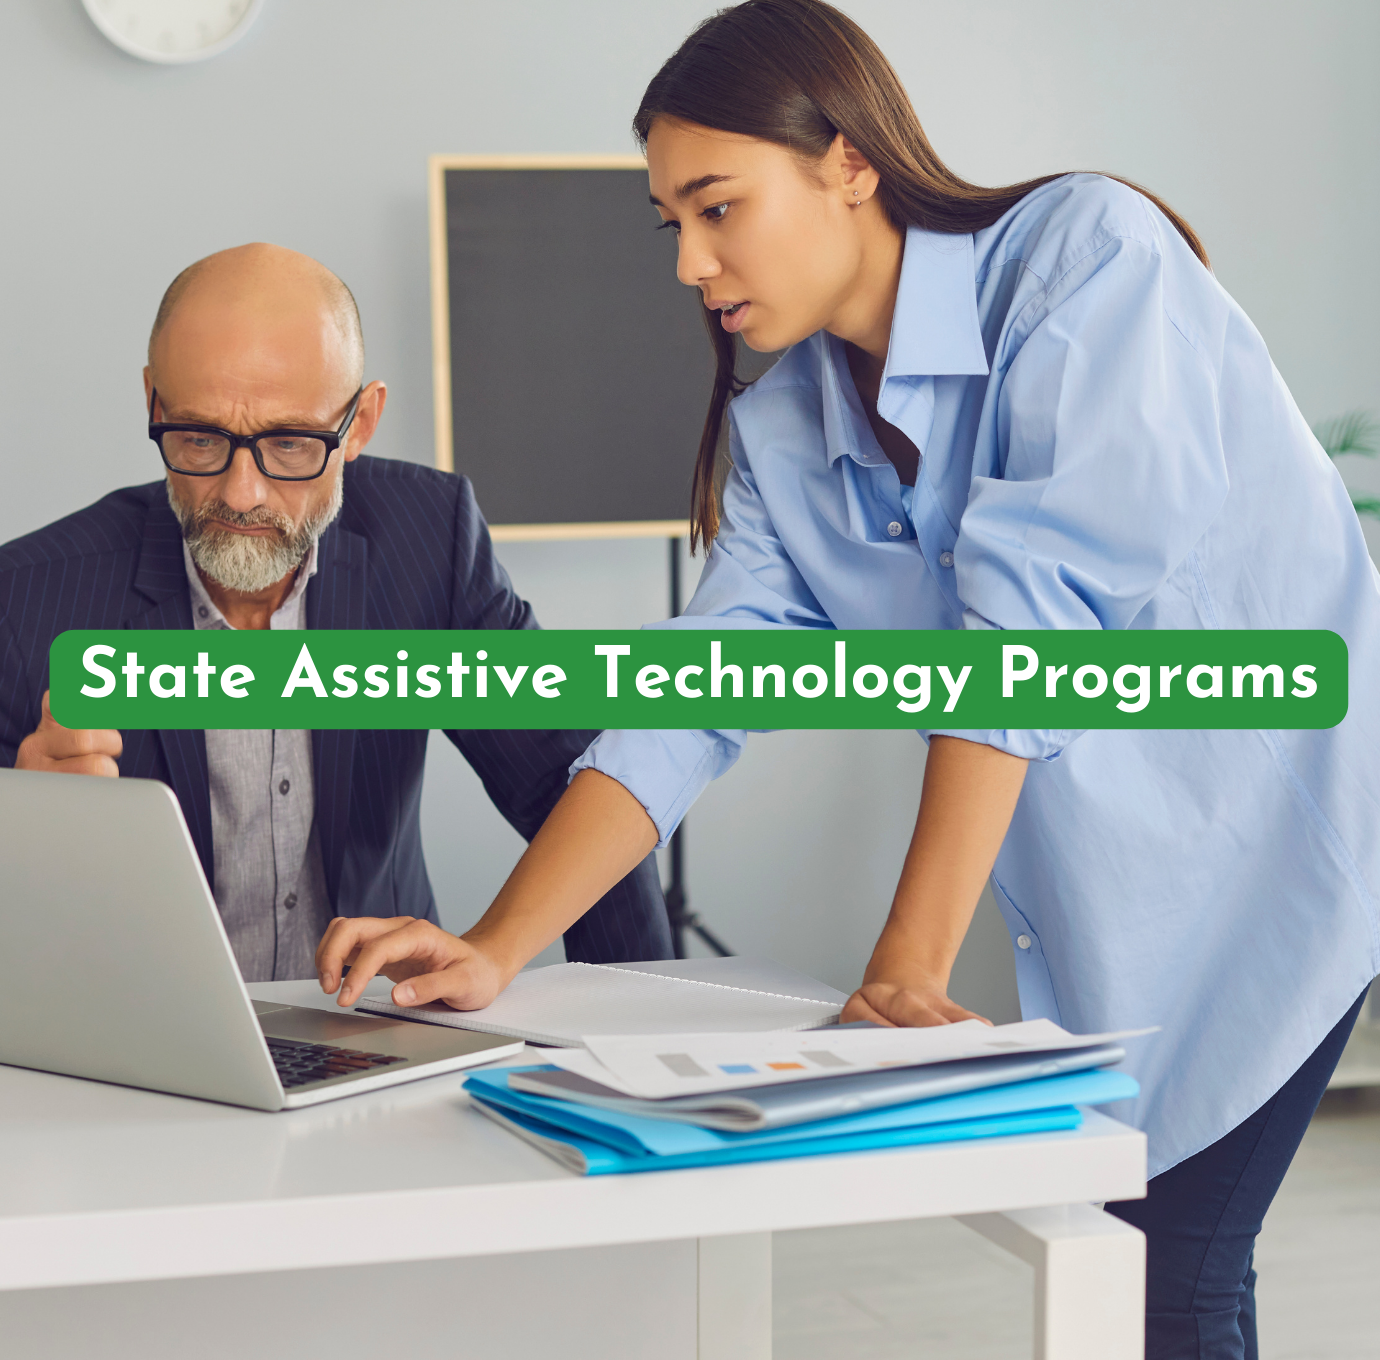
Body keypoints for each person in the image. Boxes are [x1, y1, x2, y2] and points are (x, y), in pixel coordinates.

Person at [318, 2, 1380, 1354]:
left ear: (848, 162)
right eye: (671, 225)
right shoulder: (784, 427)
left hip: (1288, 846)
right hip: (1112, 892)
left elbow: (1028, 637)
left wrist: (908, 966)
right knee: (1137, 1262)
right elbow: (698, 694)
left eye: (719, 206)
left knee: (1169, 1269)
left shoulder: (1086, 259)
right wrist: (493, 945)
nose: (692, 263)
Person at [0, 242, 671, 981]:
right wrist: (30, 837)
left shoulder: (429, 541)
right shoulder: (27, 599)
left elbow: (572, 781)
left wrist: (633, 1024)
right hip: (145, 1058)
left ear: (361, 424)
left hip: (377, 1034)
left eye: (290, 443)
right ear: (154, 404)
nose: (242, 494)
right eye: (199, 437)